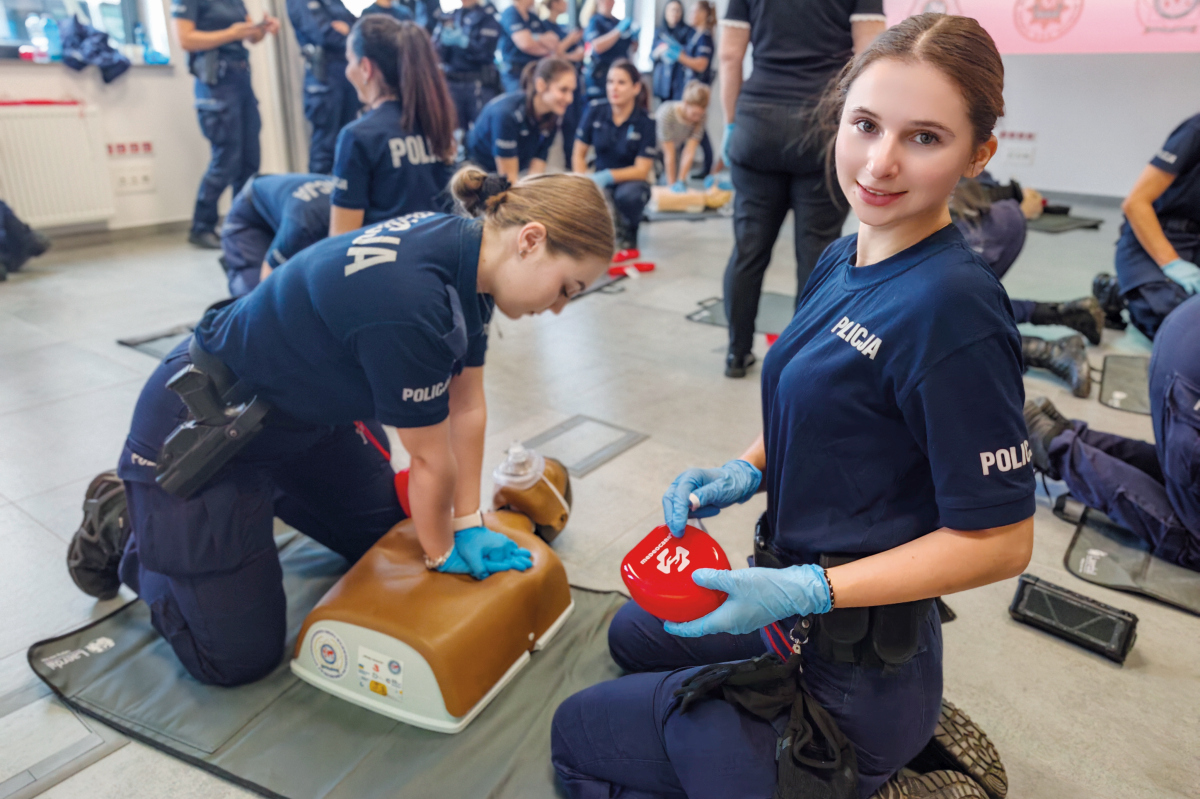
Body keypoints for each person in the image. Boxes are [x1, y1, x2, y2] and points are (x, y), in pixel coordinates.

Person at [553, 14, 1035, 799]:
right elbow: (819, 402)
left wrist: (815, 586)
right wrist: (741, 471)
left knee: (577, 739)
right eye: (866, 125)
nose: (878, 164)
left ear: (979, 152)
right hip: (791, 600)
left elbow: (1004, 540)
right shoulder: (846, 254)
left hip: (848, 669)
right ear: (838, 114)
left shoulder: (953, 311)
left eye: (924, 138)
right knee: (632, 633)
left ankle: (864, 769)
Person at [78, 167, 615, 687]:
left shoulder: (470, 258)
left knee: (387, 539)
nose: (561, 308)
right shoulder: (414, 302)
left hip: (307, 420)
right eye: (568, 287)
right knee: (235, 659)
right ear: (531, 239)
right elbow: (428, 457)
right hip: (208, 428)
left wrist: (468, 520)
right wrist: (443, 550)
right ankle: (126, 519)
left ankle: (244, 517)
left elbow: (468, 408)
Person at [718, 0, 885, 378]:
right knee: (816, 251)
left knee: (748, 247)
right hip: (821, 125)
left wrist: (731, 123)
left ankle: (736, 353)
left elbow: (730, 57)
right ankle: (799, 363)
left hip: (757, 122)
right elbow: (872, 57)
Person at [1025, 294, 1200, 571]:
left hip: (1184, 330)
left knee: (1177, 471)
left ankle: (1065, 433)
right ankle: (1051, 444)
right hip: (1190, 382)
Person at [950, 174, 1105, 398]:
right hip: (998, 220)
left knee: (939, 316)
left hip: (976, 228)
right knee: (958, 303)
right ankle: (1061, 314)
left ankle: (1046, 351)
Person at [329, 16, 457, 237]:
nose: (347, 70)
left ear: (366, 67)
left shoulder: (358, 136)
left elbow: (340, 241)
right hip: (441, 256)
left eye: (350, 61)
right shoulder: (436, 121)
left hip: (385, 265)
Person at [172, 0, 280, 250]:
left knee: (249, 161)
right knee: (226, 161)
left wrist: (261, 29)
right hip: (216, 84)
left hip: (241, 78)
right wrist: (230, 34)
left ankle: (242, 224)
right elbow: (185, 39)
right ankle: (202, 226)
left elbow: (250, 38)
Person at [1098, 112, 1200, 341]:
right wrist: (1173, 264)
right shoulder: (1195, 131)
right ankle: (1120, 291)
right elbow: (1135, 203)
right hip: (1156, 239)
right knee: (1183, 329)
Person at [572, 60, 657, 253]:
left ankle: (629, 232)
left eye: (621, 82)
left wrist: (608, 176)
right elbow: (579, 152)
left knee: (629, 196)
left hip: (631, 180)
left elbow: (642, 170)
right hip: (598, 177)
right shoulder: (595, 110)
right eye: (610, 82)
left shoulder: (646, 122)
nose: (613, 88)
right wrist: (582, 179)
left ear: (636, 88)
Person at [219, 173, 334, 297]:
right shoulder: (302, 227)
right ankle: (240, 262)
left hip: (284, 208)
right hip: (250, 216)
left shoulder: (351, 204)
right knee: (255, 298)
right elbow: (267, 285)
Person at [467, 58, 577, 183]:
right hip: (477, 172)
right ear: (541, 85)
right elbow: (509, 180)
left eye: (572, 91)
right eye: (563, 90)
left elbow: (535, 173)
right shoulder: (507, 115)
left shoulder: (552, 115)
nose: (570, 99)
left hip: (511, 169)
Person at [286, 0, 360, 174]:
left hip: (346, 76)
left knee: (348, 143)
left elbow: (358, 26)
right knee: (325, 148)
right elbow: (322, 34)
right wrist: (351, 35)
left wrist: (349, 30)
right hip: (324, 79)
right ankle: (318, 197)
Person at [433, 0, 503, 134]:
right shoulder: (449, 16)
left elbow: (487, 53)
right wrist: (443, 42)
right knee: (454, 131)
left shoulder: (488, 17)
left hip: (477, 84)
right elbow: (436, 53)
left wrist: (466, 43)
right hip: (452, 83)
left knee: (482, 130)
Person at [538, 0, 586, 162]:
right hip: (556, 80)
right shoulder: (544, 26)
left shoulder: (564, 28)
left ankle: (571, 160)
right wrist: (569, 43)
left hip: (573, 80)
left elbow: (579, 53)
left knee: (573, 123)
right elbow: (552, 55)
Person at [656, 81, 709, 190]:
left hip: (676, 148)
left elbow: (689, 151)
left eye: (700, 115)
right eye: (694, 114)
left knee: (679, 180)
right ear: (685, 103)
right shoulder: (667, 113)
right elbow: (669, 153)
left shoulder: (701, 117)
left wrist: (681, 180)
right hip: (656, 148)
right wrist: (671, 186)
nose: (697, 119)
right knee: (661, 181)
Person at [498, 0, 559, 94]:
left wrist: (532, 37)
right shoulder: (511, 13)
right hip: (516, 74)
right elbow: (525, 44)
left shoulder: (533, 17)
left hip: (535, 72)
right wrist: (540, 40)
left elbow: (554, 41)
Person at [581, 0, 637, 101]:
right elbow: (597, 46)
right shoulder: (595, 21)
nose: (611, 2)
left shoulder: (617, 22)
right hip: (602, 76)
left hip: (621, 73)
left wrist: (635, 38)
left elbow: (633, 49)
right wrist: (618, 31)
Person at [650, 0, 691, 103]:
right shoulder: (659, 32)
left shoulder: (687, 31)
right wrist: (659, 51)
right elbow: (651, 56)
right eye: (672, 10)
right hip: (663, 82)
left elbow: (691, 57)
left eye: (677, 10)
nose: (674, 13)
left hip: (681, 80)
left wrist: (679, 51)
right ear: (665, 12)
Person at [0, 200, 51, 280]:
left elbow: (14, 223)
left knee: (42, 240)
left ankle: (29, 241)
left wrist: (28, 237)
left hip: (10, 250)